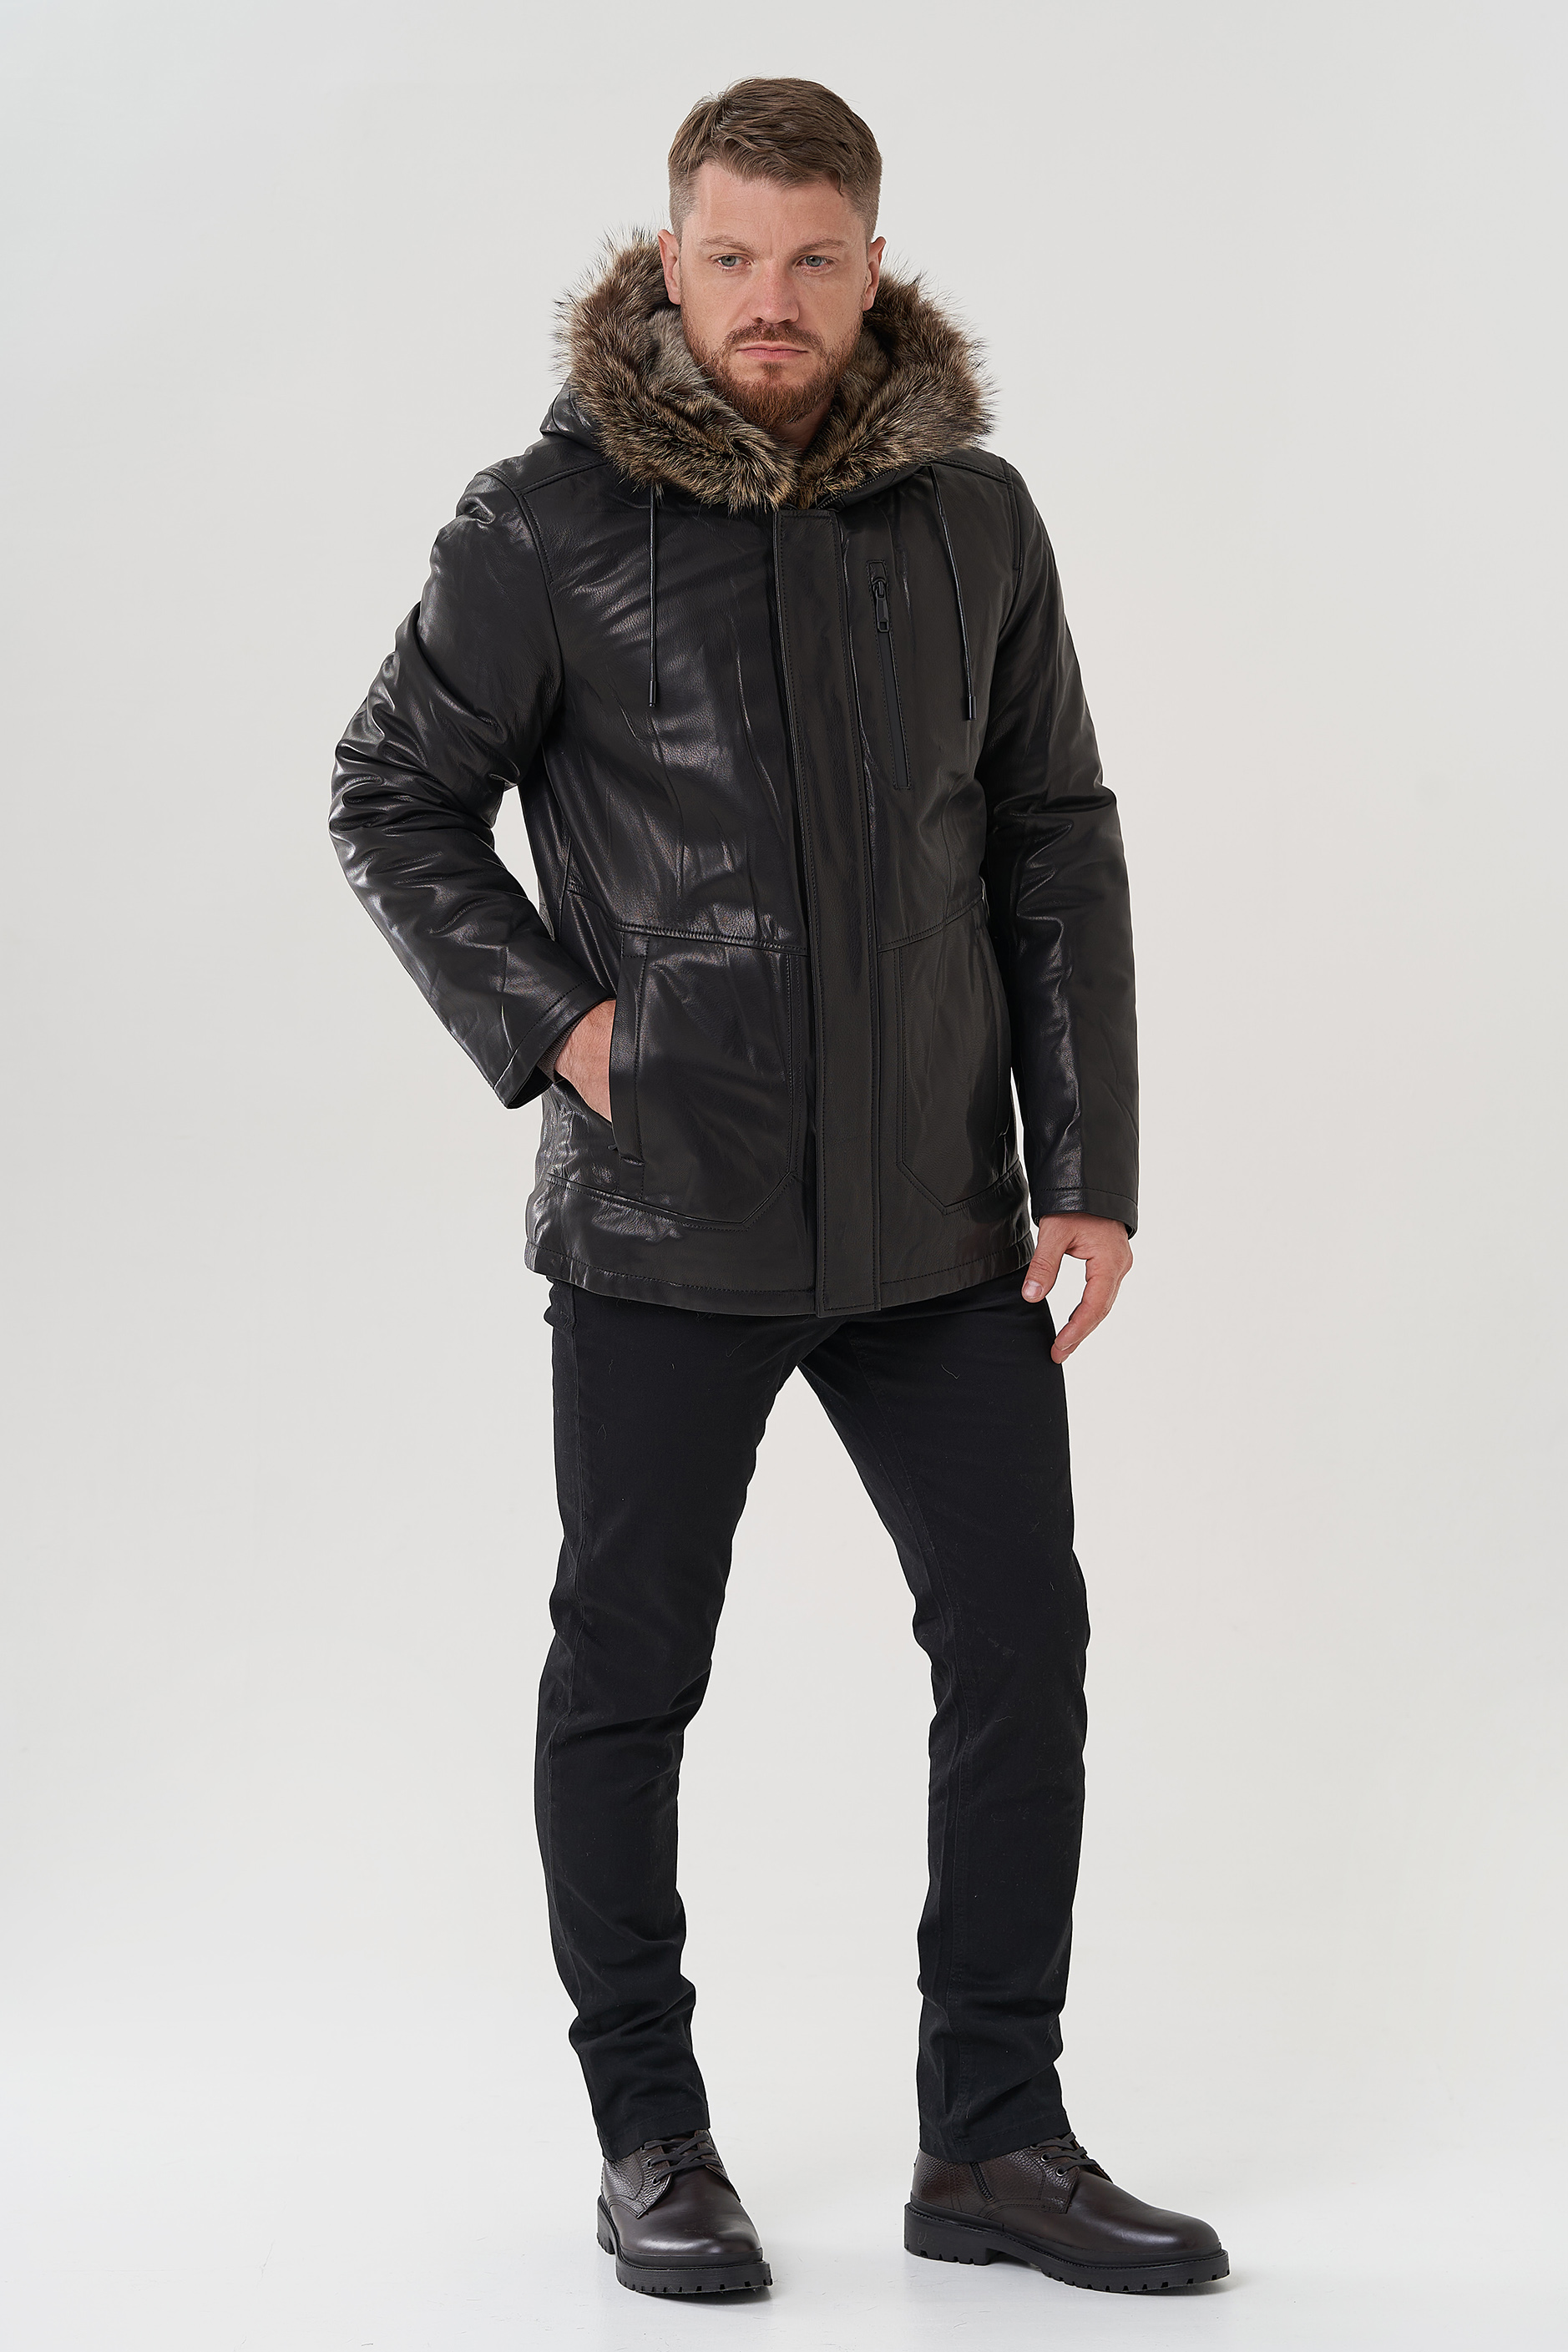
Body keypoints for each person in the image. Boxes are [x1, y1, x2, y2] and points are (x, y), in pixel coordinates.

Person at [330, 76, 1227, 2300]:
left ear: (873, 266)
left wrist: (1090, 1163)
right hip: (667, 1217)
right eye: (731, 256)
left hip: (938, 1220)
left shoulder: (974, 519)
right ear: (669, 262)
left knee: (1022, 1643)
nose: (771, 298)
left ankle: (993, 2139)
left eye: (814, 258)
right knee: (631, 1668)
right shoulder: (544, 523)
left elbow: (1055, 834)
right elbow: (391, 788)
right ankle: (651, 2135)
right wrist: (567, 1027)